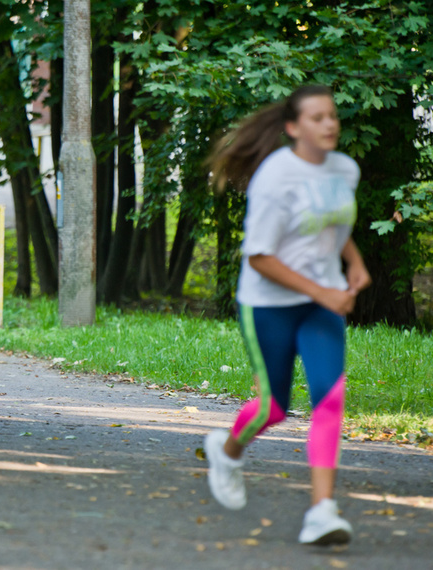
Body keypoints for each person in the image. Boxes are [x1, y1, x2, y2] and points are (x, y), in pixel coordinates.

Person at [203, 85, 371, 546]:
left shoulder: (345, 169)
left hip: (322, 303)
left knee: (329, 399)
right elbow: (259, 255)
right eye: (317, 118)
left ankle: (322, 510)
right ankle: (228, 450)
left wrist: (352, 262)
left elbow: (333, 222)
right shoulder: (275, 177)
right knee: (273, 407)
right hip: (268, 303)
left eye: (333, 115)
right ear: (294, 128)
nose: (330, 124)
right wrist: (323, 289)